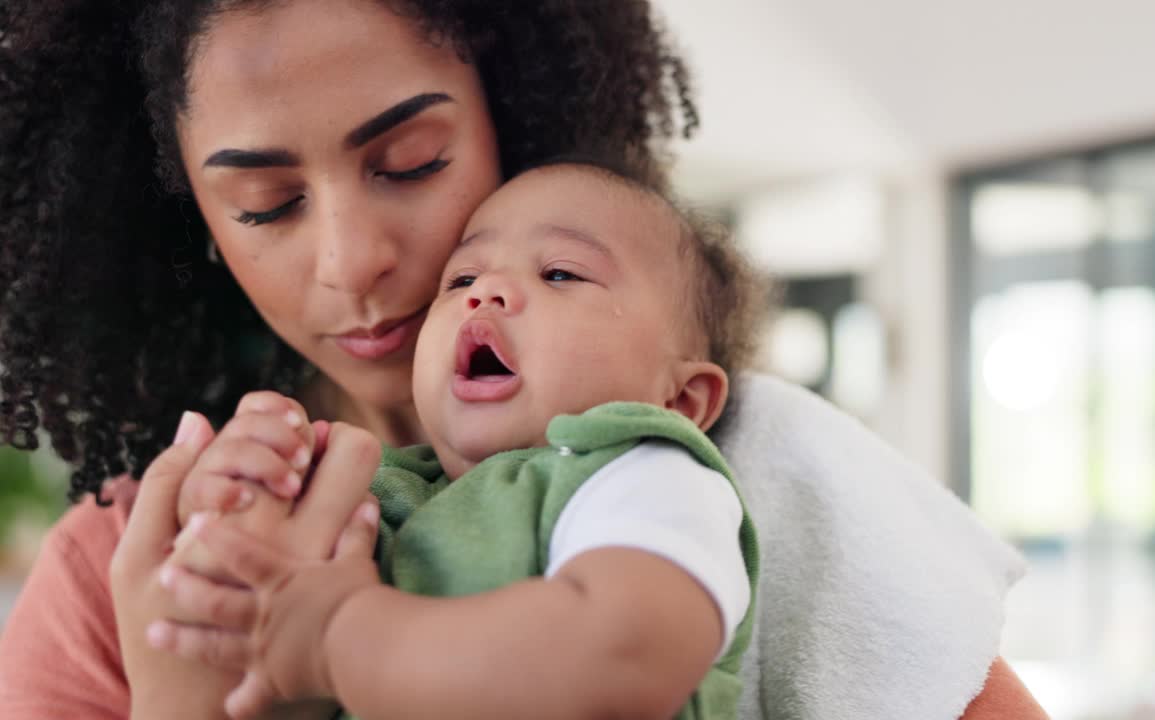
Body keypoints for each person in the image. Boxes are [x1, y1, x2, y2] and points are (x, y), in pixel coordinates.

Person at [0, 0, 1046, 718]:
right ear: (194, 227)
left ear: (516, 118)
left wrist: (340, 639)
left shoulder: (718, 470)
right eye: (264, 205)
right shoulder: (125, 572)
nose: (352, 261)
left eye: (411, 164)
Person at [157, 161, 764, 719]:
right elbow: (268, 682)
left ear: (679, 401)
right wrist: (234, 509)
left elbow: (623, 658)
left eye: (560, 273)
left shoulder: (640, 473)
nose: (486, 290)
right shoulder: (385, 494)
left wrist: (342, 635)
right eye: (461, 277)